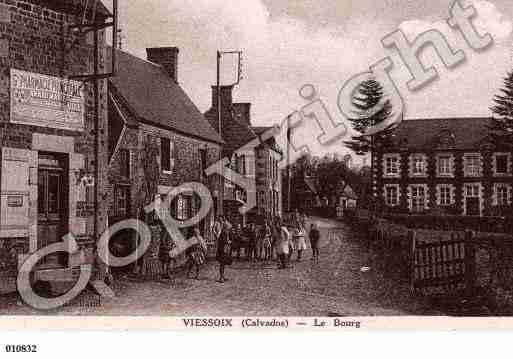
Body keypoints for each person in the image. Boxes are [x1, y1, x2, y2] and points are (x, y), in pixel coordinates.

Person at [216, 217, 232, 283]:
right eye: (228, 228)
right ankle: (221, 277)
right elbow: (223, 241)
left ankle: (222, 276)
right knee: (222, 264)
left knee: (223, 264)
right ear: (226, 227)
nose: (229, 229)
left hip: (224, 250)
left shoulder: (225, 233)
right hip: (222, 250)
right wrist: (228, 242)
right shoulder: (223, 233)